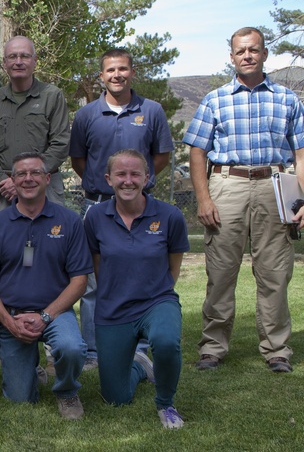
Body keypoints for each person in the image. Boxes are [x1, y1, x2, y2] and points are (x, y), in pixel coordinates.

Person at [184, 27, 304, 373]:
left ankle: (276, 350)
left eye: (253, 50)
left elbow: (303, 152)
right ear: (231, 57)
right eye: (240, 51)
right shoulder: (215, 99)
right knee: (221, 271)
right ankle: (213, 348)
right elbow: (197, 153)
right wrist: (203, 199)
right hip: (227, 186)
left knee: (274, 272)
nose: (247, 55)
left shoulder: (286, 98)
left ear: (264, 54)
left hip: (273, 187)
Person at [69, 48, 174, 370]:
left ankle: (139, 349)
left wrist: (134, 185)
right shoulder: (86, 115)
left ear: (132, 72)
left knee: (139, 279)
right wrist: (106, 185)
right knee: (92, 284)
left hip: (141, 211)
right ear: (101, 76)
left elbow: (162, 156)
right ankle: (91, 351)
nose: (117, 74)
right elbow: (79, 160)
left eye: (123, 69)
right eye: (110, 70)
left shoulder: (152, 111)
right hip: (97, 206)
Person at [0, 152, 91, 420]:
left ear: (47, 178)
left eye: (35, 173)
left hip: (55, 313)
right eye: (21, 174)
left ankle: (67, 392)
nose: (28, 179)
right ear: (12, 181)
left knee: (71, 348)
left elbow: (79, 281)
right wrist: (8, 321)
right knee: (19, 399)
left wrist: (45, 316)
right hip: (12, 315)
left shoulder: (69, 221)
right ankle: (30, 368)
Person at [83, 150, 189, 429]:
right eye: (121, 174)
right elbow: (97, 266)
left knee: (166, 341)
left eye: (134, 174)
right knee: (115, 398)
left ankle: (165, 404)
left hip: (157, 301)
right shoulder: (95, 217)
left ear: (147, 177)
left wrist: (157, 293)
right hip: (113, 308)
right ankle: (140, 366)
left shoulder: (170, 216)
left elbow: (173, 268)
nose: (127, 181)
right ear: (108, 179)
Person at [0, 36, 70, 212]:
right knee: (7, 239)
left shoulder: (52, 96)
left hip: (45, 188)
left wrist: (32, 177)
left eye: (25, 56)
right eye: (12, 56)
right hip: (6, 191)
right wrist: (3, 179)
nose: (18, 62)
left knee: (50, 238)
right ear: (4, 62)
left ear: (35, 61)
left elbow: (61, 143)